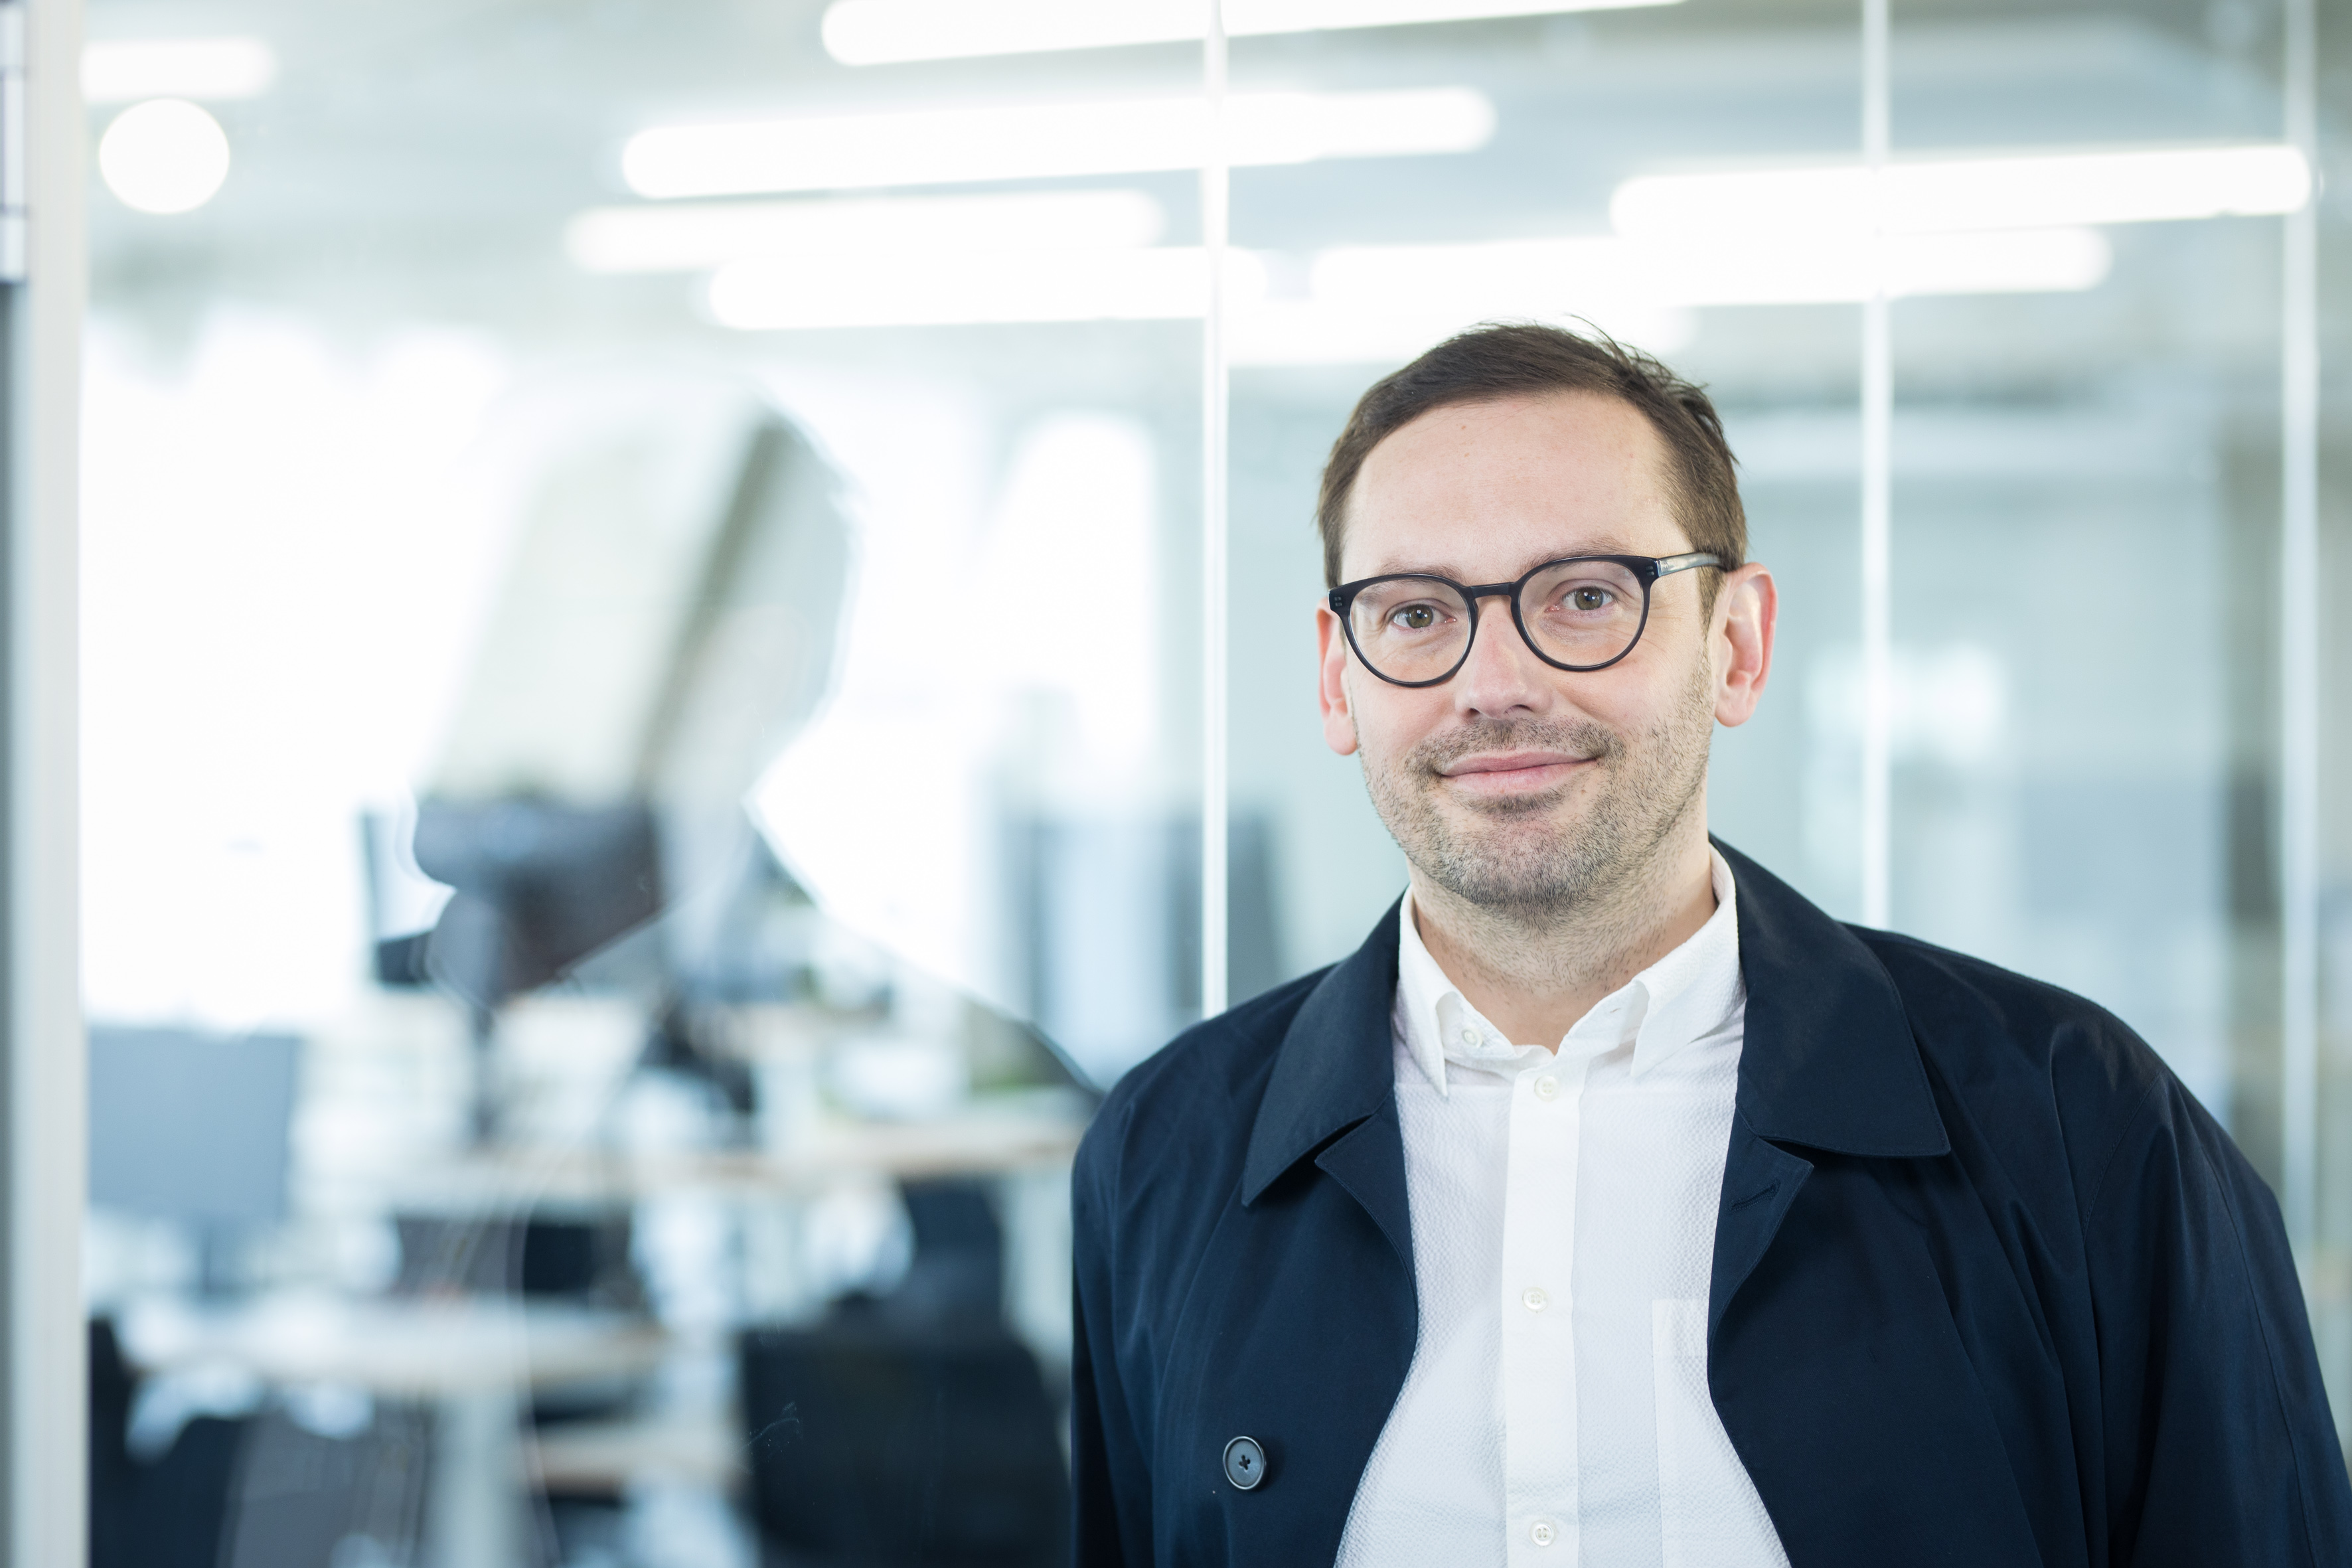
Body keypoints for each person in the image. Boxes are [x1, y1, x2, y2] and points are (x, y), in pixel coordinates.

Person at [1068, 323, 2352, 1567]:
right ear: (1340, 675)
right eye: (1414, 614)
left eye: (1584, 597)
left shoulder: (2076, 1122)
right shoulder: (1169, 1149)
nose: (1496, 681)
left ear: (1736, 646)